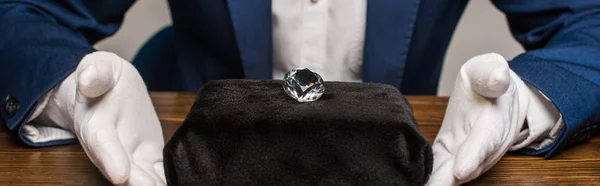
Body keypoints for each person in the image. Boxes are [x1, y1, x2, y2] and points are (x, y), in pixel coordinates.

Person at [0, 0, 598, 185]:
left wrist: (525, 97)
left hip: (398, 167)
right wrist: (69, 93)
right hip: (186, 162)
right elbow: (25, 11)